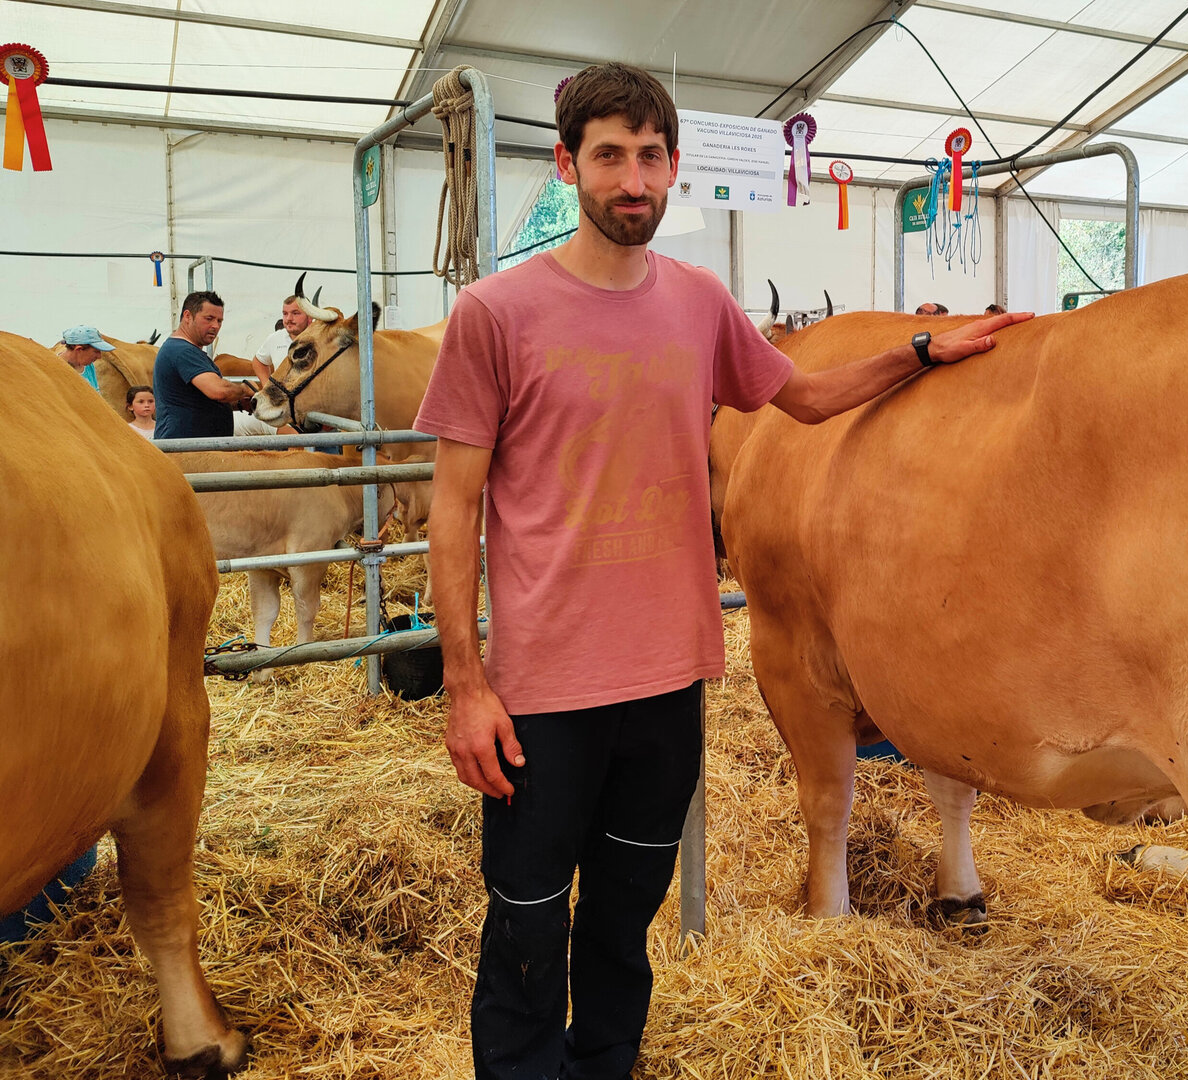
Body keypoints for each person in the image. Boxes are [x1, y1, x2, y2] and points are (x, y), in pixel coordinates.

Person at [413, 62, 1030, 1080]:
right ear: (567, 165)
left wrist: (923, 350)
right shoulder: (495, 311)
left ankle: (606, 1063)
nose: (633, 180)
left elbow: (807, 398)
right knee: (526, 920)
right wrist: (465, 685)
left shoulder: (698, 301)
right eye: (610, 156)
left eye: (651, 157)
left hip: (666, 679)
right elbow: (453, 509)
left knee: (625, 914)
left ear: (673, 167)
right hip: (542, 693)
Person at [152, 291, 252, 440]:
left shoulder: (183, 349)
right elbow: (219, 391)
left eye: (219, 321)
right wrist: (245, 389)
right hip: (187, 448)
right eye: (209, 319)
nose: (215, 326)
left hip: (196, 447)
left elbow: (196, 403)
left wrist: (239, 404)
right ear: (187, 316)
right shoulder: (183, 351)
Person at [252, 293, 314, 384]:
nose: (289, 318)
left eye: (295, 313)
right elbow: (258, 362)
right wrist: (267, 385)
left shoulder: (321, 339)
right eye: (285, 313)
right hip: (283, 393)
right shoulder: (275, 338)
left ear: (310, 317)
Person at [57, 325, 114, 389]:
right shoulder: (56, 371)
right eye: (96, 351)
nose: (99, 356)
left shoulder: (88, 366)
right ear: (79, 349)